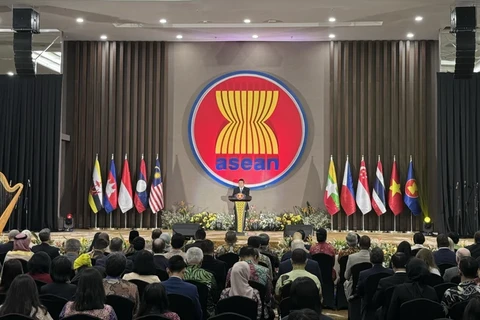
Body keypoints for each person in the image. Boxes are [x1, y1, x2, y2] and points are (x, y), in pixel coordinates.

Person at [161, 256, 203, 320]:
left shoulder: (159, 287)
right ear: (184, 270)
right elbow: (198, 314)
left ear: (167, 270)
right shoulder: (192, 289)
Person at [356, 248, 393, 316]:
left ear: (370, 259)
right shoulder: (390, 272)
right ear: (383, 259)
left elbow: (359, 292)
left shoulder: (363, 274)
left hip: (368, 307)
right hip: (386, 306)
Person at [373, 252, 409, 320]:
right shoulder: (412, 280)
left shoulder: (384, 282)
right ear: (406, 264)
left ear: (392, 264)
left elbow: (376, 301)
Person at [185, 247, 218, 317]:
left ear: (186, 260)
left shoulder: (180, 274)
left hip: (183, 311)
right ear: (201, 260)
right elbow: (215, 295)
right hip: (206, 313)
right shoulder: (209, 275)